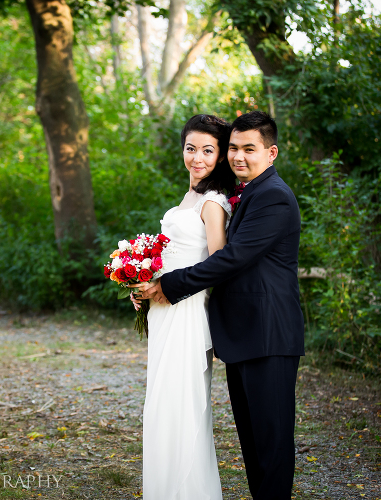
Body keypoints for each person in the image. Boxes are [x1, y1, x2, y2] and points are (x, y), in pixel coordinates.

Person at [140, 110, 305, 500]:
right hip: (242, 334)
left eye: (250, 149)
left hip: (269, 334)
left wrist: (170, 285)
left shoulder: (274, 197)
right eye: (234, 148)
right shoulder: (246, 193)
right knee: (253, 443)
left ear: (271, 152)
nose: (239, 156)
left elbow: (231, 259)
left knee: (272, 444)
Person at [133, 114, 235, 500]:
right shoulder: (189, 196)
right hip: (164, 311)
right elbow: (171, 256)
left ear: (220, 156)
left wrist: (169, 287)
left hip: (188, 313)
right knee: (161, 404)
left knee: (180, 405)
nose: (197, 157)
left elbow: (217, 263)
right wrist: (141, 285)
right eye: (191, 148)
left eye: (208, 150)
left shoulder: (213, 202)